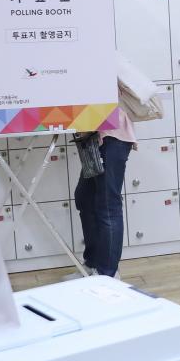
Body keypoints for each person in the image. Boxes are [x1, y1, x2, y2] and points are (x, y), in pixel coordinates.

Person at [73, 113, 136, 277]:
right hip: (97, 137)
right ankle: (92, 264)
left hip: (112, 135)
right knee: (85, 198)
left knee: (108, 206)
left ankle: (107, 274)